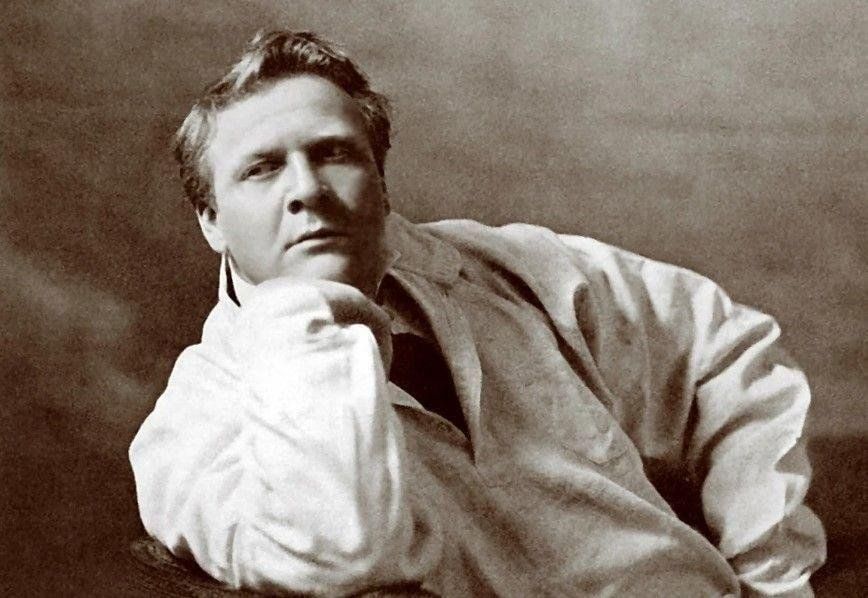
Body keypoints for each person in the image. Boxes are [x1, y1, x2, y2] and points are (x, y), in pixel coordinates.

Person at [129, 30, 826, 597]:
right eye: (261, 169)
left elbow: (727, 348)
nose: (307, 189)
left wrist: (771, 578)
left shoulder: (508, 267)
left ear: (381, 183)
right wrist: (303, 310)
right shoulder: (194, 426)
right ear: (211, 221)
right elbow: (339, 549)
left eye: (334, 153)